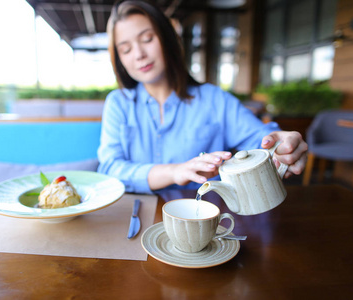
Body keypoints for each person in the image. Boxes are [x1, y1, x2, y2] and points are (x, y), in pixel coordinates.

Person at [98, 0, 308, 194]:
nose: (138, 54)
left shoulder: (214, 99)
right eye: (125, 49)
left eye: (147, 39)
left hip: (204, 216)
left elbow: (259, 140)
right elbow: (109, 167)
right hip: (136, 216)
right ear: (119, 59)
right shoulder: (119, 103)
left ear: (167, 38)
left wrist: (281, 148)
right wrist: (174, 171)